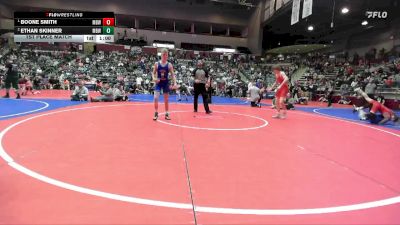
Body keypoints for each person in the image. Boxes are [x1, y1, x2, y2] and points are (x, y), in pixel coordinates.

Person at [152, 48, 177, 120]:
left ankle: (166, 113)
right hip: (158, 83)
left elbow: (173, 75)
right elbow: (153, 73)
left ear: (167, 56)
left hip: (166, 83)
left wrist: (175, 83)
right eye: (163, 55)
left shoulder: (169, 65)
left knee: (166, 99)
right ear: (161, 55)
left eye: (166, 55)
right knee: (156, 98)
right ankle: (156, 113)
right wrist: (154, 79)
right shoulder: (157, 64)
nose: (165, 56)